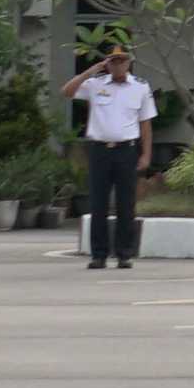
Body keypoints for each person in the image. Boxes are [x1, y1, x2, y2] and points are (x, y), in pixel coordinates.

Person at [78, 42, 159, 271]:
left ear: (129, 62)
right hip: (100, 150)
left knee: (126, 204)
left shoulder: (140, 87)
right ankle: (99, 255)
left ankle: (124, 254)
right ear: (107, 63)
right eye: (113, 60)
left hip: (126, 150)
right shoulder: (95, 84)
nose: (117, 64)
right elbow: (67, 91)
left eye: (121, 60)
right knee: (98, 204)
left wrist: (146, 155)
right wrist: (91, 70)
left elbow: (146, 123)